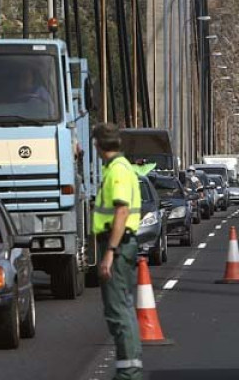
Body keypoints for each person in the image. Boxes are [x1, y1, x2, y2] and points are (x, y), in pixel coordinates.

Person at [91, 123, 142, 380]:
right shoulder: (118, 167)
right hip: (120, 244)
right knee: (123, 308)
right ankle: (129, 370)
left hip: (118, 245)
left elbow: (121, 211)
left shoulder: (118, 172)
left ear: (98, 145)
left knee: (118, 311)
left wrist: (110, 251)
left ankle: (129, 373)